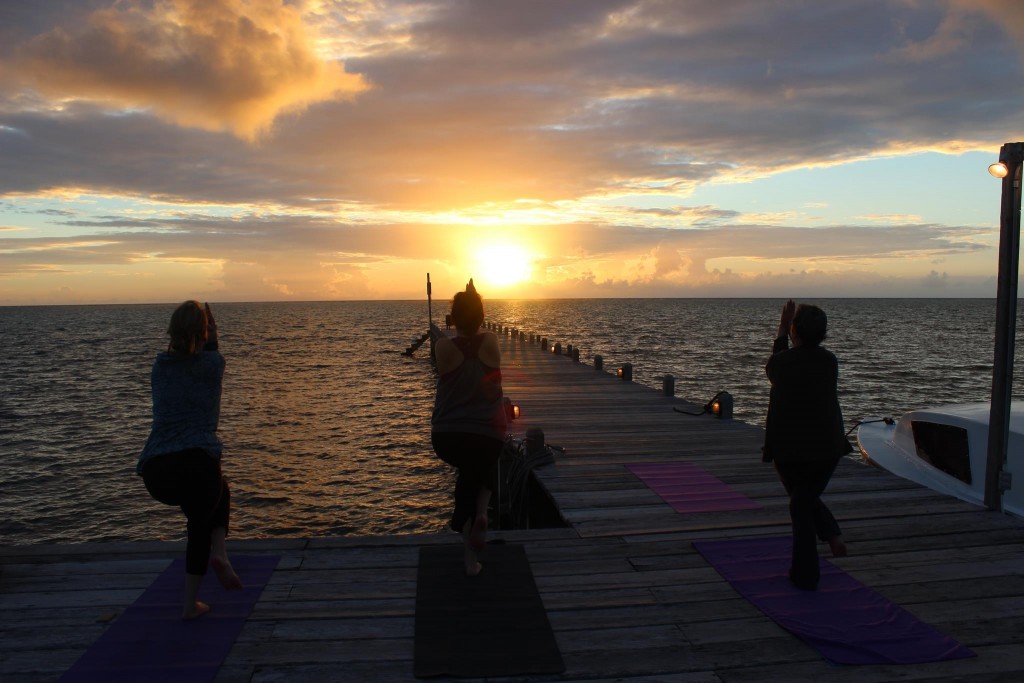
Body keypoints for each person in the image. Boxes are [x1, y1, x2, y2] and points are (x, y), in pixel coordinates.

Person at [137, 300, 242, 619]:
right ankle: (190, 603)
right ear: (206, 331)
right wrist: (211, 326)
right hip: (198, 464)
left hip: (156, 472)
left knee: (220, 491)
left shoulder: (160, 367)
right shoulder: (213, 365)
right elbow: (210, 349)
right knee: (200, 522)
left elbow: (186, 353)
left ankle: (221, 554)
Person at [763, 300, 852, 590]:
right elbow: (788, 362)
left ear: (794, 330)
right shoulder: (829, 361)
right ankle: (832, 535)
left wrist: (782, 327)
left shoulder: (782, 364)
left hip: (790, 450)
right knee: (804, 497)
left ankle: (806, 574)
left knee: (800, 504)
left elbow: (777, 366)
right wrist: (789, 329)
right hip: (827, 449)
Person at [430, 279, 507, 576]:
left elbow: (458, 343)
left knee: (468, 471)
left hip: (447, 436)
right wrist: (474, 300)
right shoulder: (491, 342)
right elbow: (477, 334)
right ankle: (481, 513)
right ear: (482, 317)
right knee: (484, 459)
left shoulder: (442, 347)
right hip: (488, 434)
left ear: (453, 319)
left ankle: (469, 558)